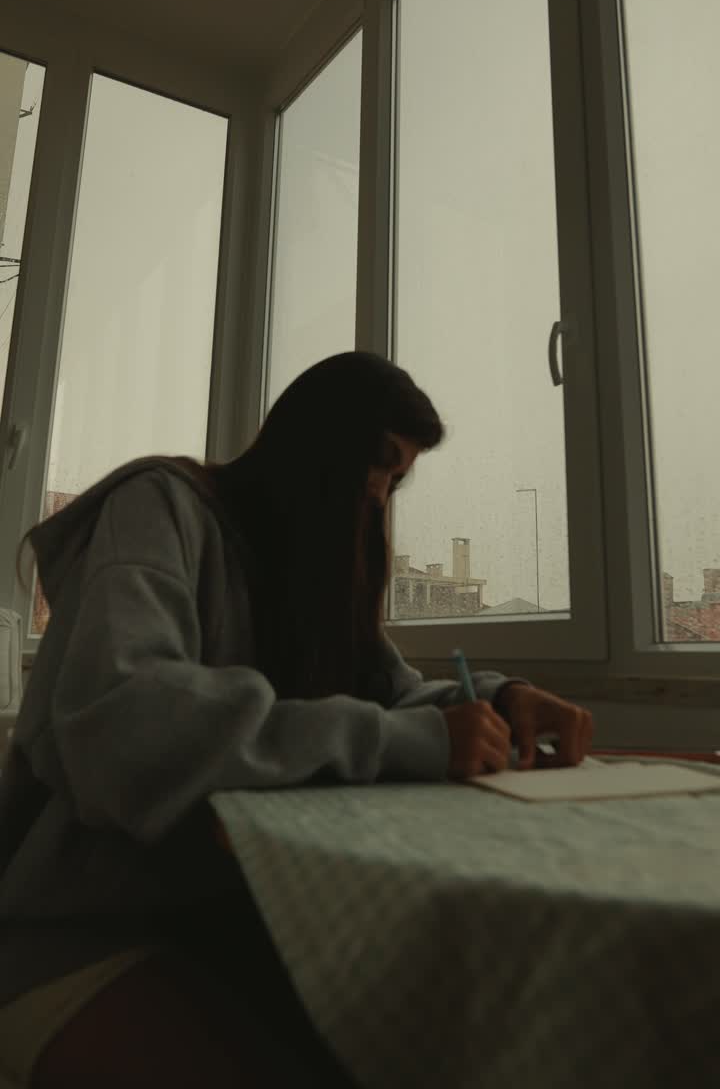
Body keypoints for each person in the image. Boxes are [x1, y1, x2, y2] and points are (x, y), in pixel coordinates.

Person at [0, 351, 592, 1088]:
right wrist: (408, 740)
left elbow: (391, 696)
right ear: (318, 445)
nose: (380, 499)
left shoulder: (306, 562)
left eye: (398, 480)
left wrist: (498, 702)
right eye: (377, 468)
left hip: (245, 919)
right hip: (87, 927)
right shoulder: (160, 507)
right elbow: (125, 721)